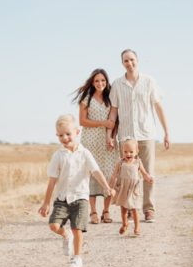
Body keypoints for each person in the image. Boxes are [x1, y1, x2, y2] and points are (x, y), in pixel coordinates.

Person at [38, 114, 112, 267]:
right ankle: (66, 235)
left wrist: (105, 186)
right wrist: (46, 203)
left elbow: (96, 171)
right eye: (60, 135)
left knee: (77, 228)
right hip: (62, 198)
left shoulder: (85, 153)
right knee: (53, 225)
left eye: (68, 134)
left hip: (80, 198)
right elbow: (52, 181)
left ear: (77, 132)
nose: (64, 138)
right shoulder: (58, 156)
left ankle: (77, 258)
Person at [108, 49, 170, 222]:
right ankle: (128, 207)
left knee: (147, 172)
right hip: (126, 136)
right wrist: (109, 135)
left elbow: (158, 108)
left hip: (146, 133)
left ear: (137, 60)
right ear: (122, 63)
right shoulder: (117, 84)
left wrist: (166, 132)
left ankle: (149, 209)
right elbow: (113, 112)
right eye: (126, 61)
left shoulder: (149, 81)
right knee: (126, 174)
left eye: (132, 60)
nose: (130, 63)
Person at [72, 68, 118, 225]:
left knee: (109, 173)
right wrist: (102, 123)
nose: (100, 83)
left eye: (103, 80)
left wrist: (111, 136)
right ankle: (93, 211)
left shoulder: (110, 97)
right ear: (92, 82)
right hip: (90, 140)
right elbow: (82, 121)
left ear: (107, 81)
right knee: (91, 174)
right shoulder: (86, 98)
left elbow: (114, 120)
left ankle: (106, 211)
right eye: (97, 81)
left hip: (107, 141)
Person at [109, 139, 155, 236]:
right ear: (122, 151)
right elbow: (114, 175)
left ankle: (137, 227)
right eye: (125, 152)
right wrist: (110, 187)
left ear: (137, 151)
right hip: (123, 188)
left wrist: (148, 178)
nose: (128, 154)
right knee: (123, 209)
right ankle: (125, 224)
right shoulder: (120, 163)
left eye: (131, 152)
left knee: (134, 208)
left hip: (133, 189)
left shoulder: (138, 162)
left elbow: (144, 173)